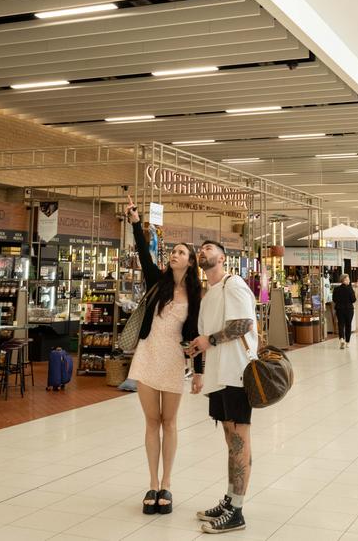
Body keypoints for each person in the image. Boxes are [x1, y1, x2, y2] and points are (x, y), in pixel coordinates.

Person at [125, 197, 203, 516]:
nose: (174, 254)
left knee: (169, 422)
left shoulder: (196, 294)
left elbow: (196, 334)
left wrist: (198, 371)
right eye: (173, 251)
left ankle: (167, 484)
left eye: (181, 252)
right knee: (151, 421)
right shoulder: (158, 282)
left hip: (173, 360)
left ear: (191, 261)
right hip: (148, 354)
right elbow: (144, 253)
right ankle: (152, 482)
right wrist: (134, 221)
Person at [188, 240, 258, 535]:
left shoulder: (235, 283)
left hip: (238, 372)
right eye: (200, 249)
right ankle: (229, 500)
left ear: (222, 257)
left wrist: (210, 341)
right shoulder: (208, 294)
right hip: (219, 375)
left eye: (208, 248)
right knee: (230, 439)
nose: (202, 251)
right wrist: (198, 370)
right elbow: (203, 336)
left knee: (239, 439)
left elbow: (243, 324)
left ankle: (237, 511)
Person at [332, 274, 356, 348]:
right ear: (344, 280)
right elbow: (353, 300)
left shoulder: (336, 289)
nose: (349, 281)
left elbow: (334, 299)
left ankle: (341, 339)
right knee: (348, 325)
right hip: (349, 309)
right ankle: (347, 342)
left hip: (339, 309)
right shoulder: (350, 289)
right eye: (348, 279)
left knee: (341, 324)